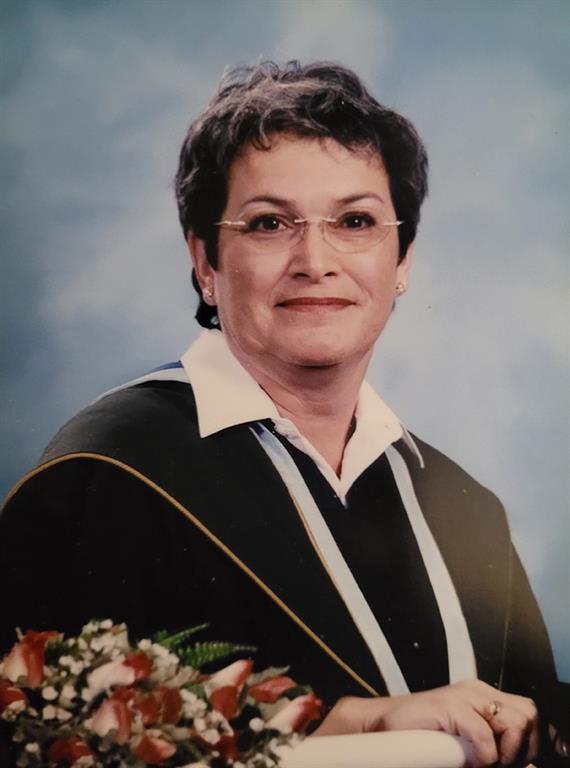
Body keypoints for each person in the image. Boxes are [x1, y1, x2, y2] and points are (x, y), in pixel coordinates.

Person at [1, 61, 567, 766]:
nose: (315, 259)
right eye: (269, 224)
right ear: (205, 259)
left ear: (402, 262)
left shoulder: (464, 508)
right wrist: (354, 725)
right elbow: (35, 731)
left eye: (355, 221)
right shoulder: (108, 473)